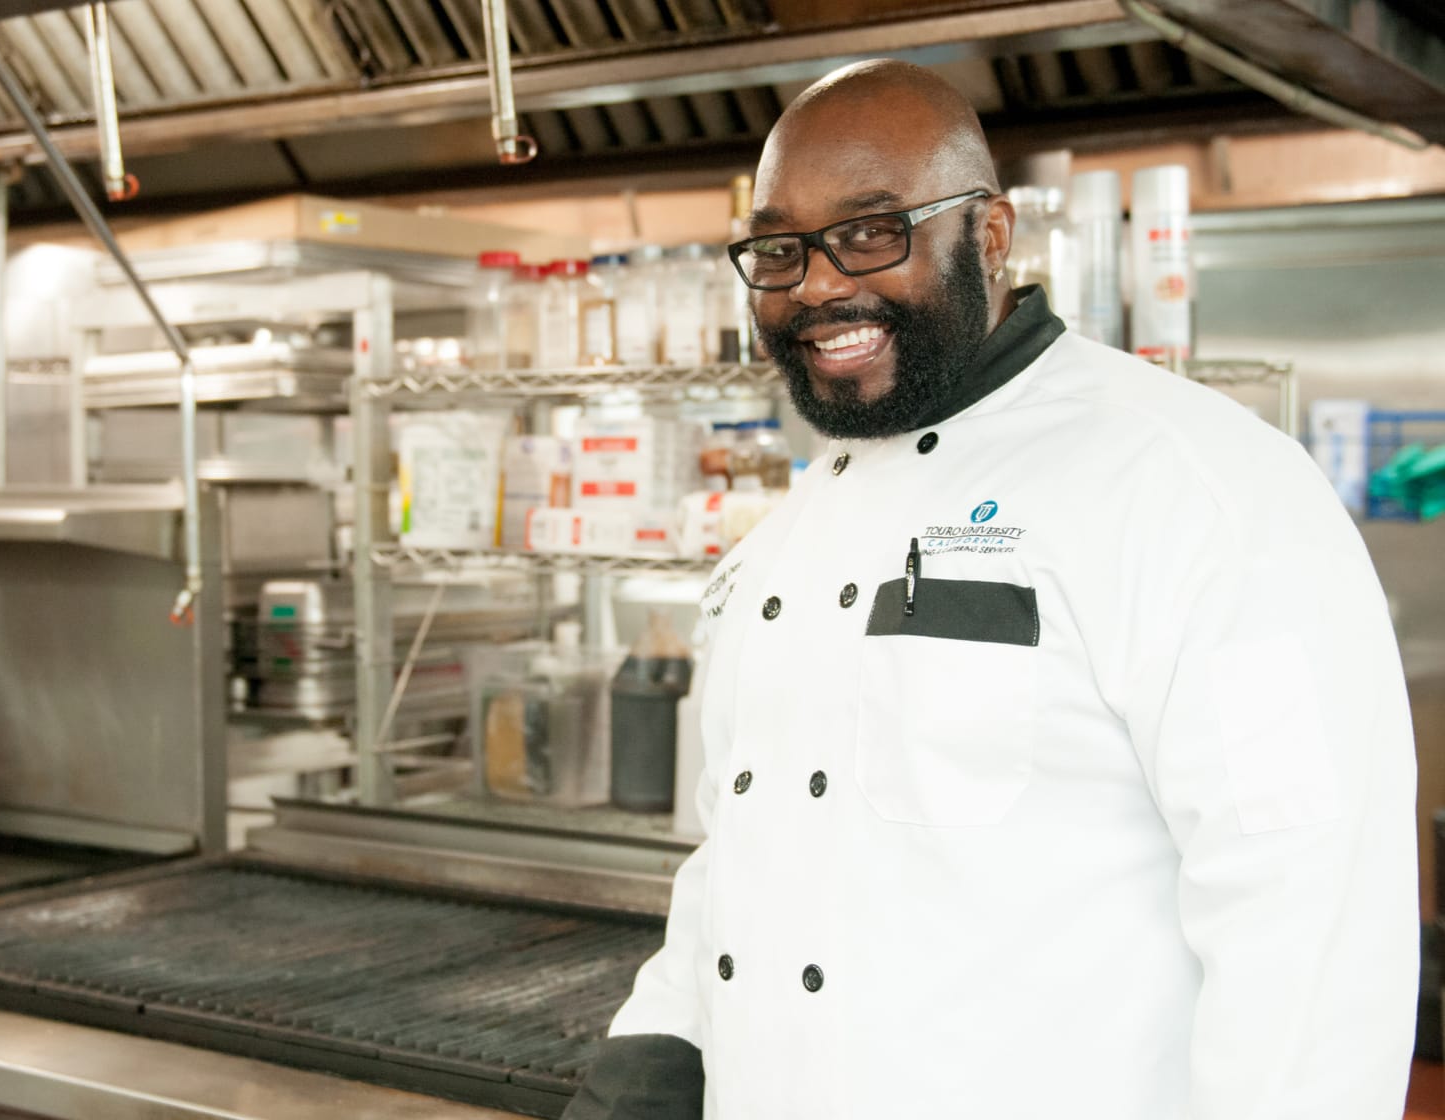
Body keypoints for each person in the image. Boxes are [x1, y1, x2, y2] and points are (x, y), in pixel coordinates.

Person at [562, 59, 1419, 1120]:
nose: (820, 284)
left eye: (872, 232)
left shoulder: (1195, 483)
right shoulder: (777, 545)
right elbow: (739, 859)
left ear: (992, 235)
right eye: (779, 250)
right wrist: (650, 1062)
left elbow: (1309, 919)